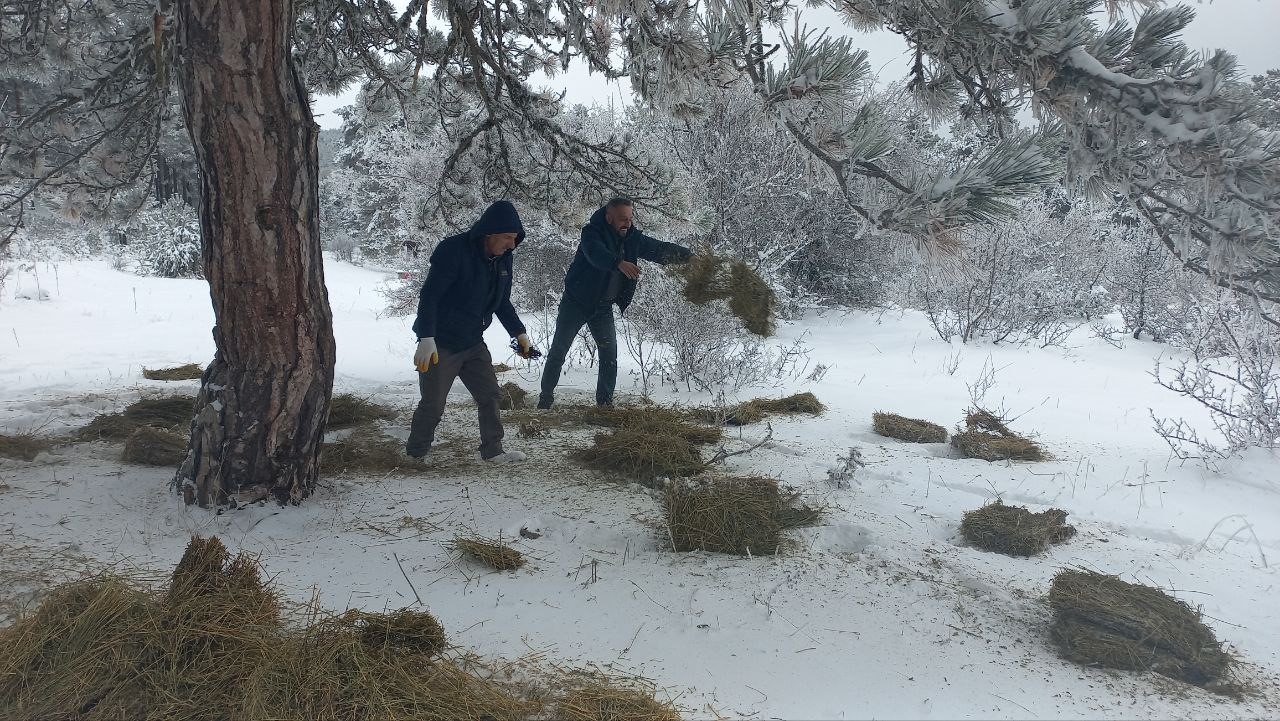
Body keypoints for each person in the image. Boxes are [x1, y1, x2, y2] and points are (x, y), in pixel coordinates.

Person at [407, 200, 539, 463]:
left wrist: (519, 333)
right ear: (489, 233)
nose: (512, 245)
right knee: (433, 404)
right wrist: (426, 337)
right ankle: (415, 455)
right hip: (441, 342)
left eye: (514, 239)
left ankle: (493, 451)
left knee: (490, 395)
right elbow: (430, 296)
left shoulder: (504, 260)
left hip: (473, 341)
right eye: (507, 238)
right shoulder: (453, 251)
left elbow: (501, 301)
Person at [538, 197, 692, 409]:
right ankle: (545, 399)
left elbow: (658, 248)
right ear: (609, 218)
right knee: (558, 351)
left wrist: (688, 257)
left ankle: (605, 405)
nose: (627, 223)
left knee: (609, 356)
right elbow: (595, 255)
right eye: (622, 219)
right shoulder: (591, 233)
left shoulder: (632, 237)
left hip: (602, 307)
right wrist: (618, 263)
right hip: (576, 303)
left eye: (629, 218)